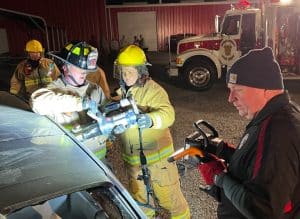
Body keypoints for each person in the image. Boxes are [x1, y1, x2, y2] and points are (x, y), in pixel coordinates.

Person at [197, 47, 300, 218]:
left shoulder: (279, 133)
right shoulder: (274, 115)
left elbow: (262, 209)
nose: (230, 98)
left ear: (265, 88)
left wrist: (219, 177)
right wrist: (222, 149)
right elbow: (258, 163)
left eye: (238, 89)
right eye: (230, 90)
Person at [113, 45, 190, 218]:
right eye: (123, 72)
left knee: (169, 199)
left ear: (141, 72)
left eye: (130, 72)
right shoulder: (121, 94)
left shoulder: (153, 90)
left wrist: (151, 119)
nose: (126, 77)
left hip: (158, 160)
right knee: (141, 201)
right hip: (134, 161)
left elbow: (169, 114)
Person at [30, 41, 108, 161]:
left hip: (100, 161)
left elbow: (107, 115)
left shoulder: (95, 89)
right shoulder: (54, 90)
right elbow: (37, 102)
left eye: (86, 69)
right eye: (79, 68)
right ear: (65, 67)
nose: (85, 72)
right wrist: (79, 103)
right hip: (73, 163)